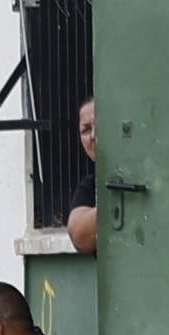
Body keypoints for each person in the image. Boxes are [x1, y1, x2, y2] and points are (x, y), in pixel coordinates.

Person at [66, 100, 100, 253]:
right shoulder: (90, 185)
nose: (93, 136)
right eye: (86, 130)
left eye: (100, 126)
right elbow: (79, 236)